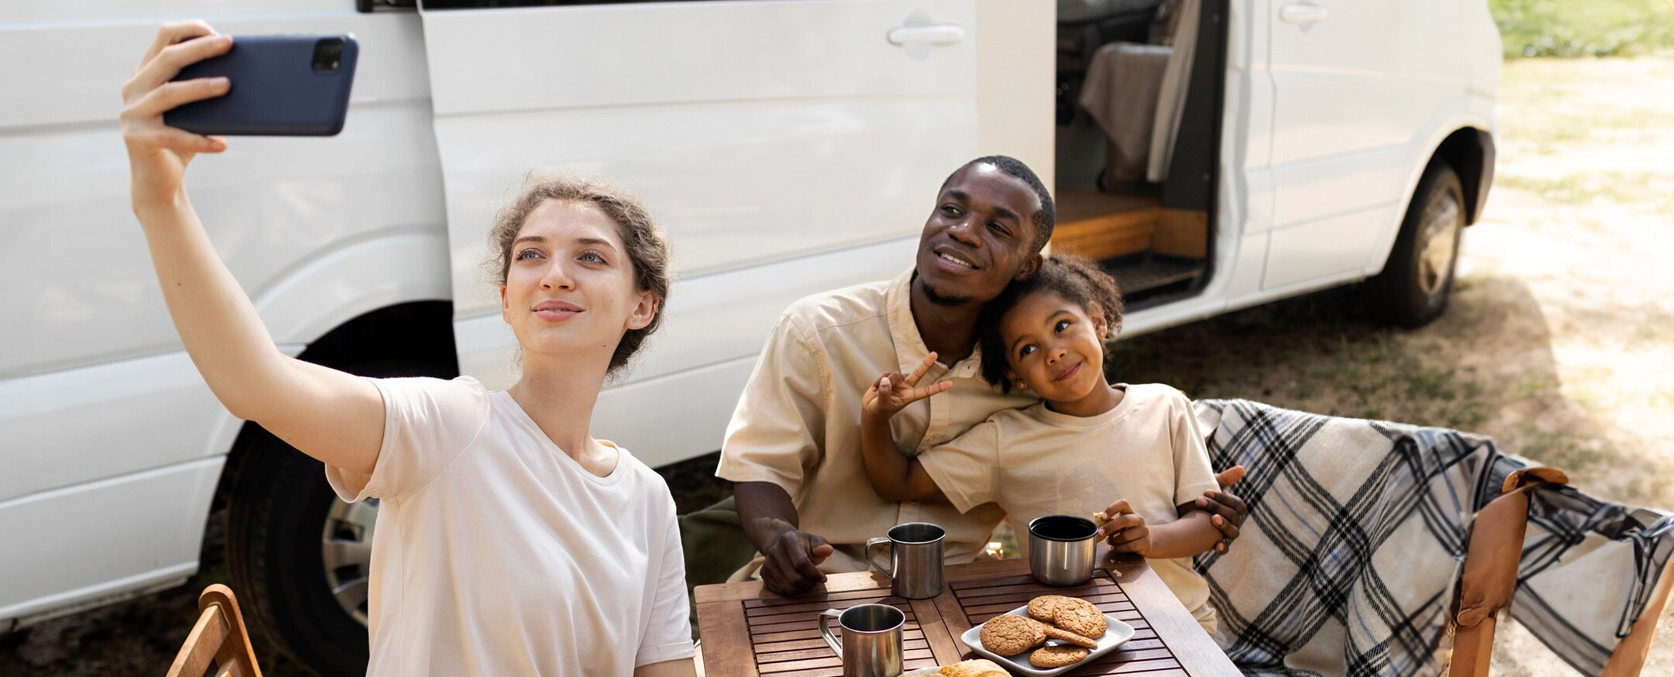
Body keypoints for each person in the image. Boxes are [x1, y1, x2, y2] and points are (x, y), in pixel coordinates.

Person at [120, 22, 695, 675]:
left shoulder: (646, 499)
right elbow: (257, 382)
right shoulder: (450, 428)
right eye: (532, 255)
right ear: (508, 299)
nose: (556, 273)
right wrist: (159, 198)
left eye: (590, 257)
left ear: (642, 305)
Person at [716, 156, 1247, 595]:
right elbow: (758, 464)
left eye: (997, 228)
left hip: (961, 591)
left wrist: (1193, 511)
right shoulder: (818, 330)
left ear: (1026, 265)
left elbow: (1097, 433)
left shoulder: (1025, 371)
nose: (963, 232)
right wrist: (779, 537)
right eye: (951, 209)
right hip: (823, 582)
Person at [860, 253, 1224, 632]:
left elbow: (1208, 522)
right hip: (1060, 638)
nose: (1055, 352)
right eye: (1027, 350)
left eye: (1062, 325)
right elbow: (896, 483)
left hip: (1182, 625)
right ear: (1015, 376)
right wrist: (875, 418)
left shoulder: (1165, 406)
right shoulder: (1004, 439)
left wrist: (1150, 539)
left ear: (1097, 320)